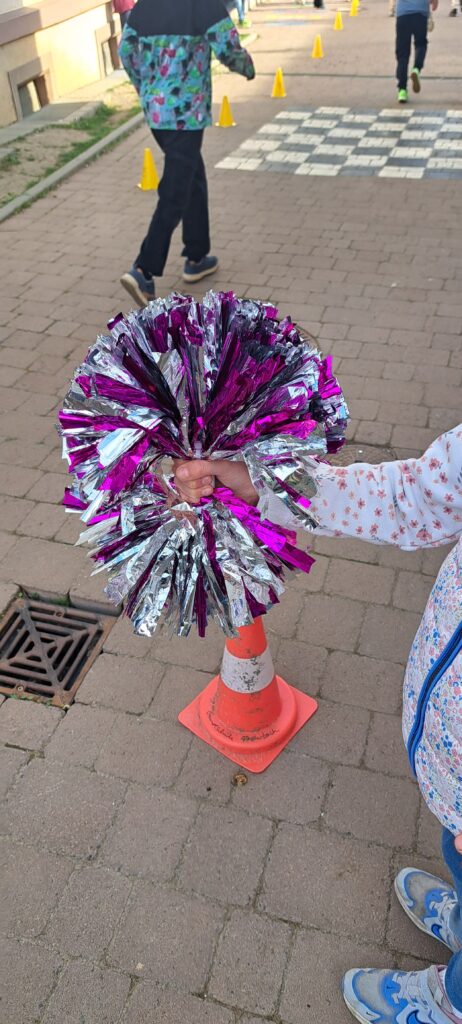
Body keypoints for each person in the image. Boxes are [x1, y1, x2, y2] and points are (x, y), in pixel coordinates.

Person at [173, 425, 462, 1024]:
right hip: (449, 757)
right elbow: (416, 495)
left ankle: (453, 1001)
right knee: (451, 841)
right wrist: (262, 487)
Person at [118, 0, 255, 308]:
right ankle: (144, 269)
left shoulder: (146, 5)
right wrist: (247, 67)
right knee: (176, 190)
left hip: (157, 113)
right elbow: (228, 46)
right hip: (186, 116)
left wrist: (146, 87)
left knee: (193, 176)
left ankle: (197, 255)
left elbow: (125, 51)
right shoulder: (202, 4)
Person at [395, 0, 438, 103]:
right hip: (421, 12)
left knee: (402, 53)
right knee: (421, 44)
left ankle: (402, 90)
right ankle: (416, 69)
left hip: (403, 13)